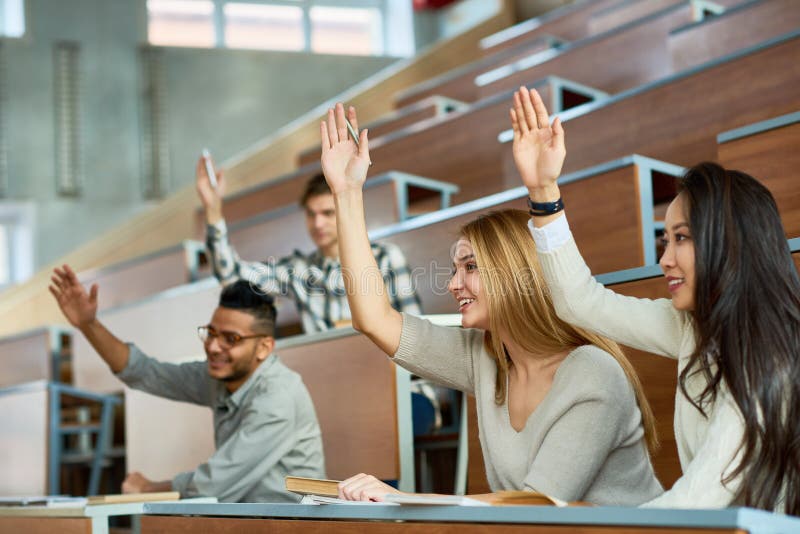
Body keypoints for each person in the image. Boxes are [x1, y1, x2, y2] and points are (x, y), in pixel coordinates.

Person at [319, 103, 664, 505]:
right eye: (454, 269)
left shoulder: (593, 373)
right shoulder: (486, 358)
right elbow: (374, 319)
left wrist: (404, 498)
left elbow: (537, 505)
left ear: (515, 273)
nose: (452, 284)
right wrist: (346, 193)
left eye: (470, 266)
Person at [512, 85, 800, 513]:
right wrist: (543, 192)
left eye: (681, 239)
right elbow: (580, 303)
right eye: (664, 241)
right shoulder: (692, 328)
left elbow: (699, 499)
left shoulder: (770, 353)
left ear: (729, 242)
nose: (665, 260)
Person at [49, 267, 326, 503]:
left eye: (231, 339)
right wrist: (88, 325)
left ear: (264, 347)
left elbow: (215, 483)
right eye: (211, 333)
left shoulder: (278, 396)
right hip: (244, 521)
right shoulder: (217, 377)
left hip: (295, 524)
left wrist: (148, 489)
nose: (214, 346)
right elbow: (145, 372)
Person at [196, 161, 422, 334]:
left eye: (327, 213)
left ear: (345, 212)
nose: (318, 223)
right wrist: (213, 210)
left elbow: (413, 332)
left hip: (390, 378)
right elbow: (232, 276)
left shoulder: (385, 258)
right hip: (332, 381)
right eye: (311, 214)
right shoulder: (299, 270)